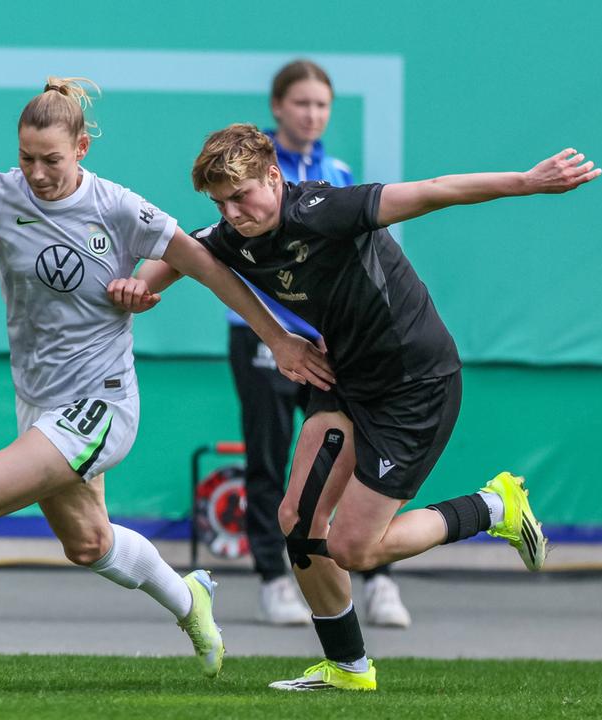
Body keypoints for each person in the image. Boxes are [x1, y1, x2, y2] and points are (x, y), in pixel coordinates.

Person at [0, 77, 332, 678]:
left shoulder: (119, 207)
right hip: (39, 401)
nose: (38, 173)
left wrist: (277, 336)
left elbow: (208, 267)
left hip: (103, 403)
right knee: (89, 545)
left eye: (51, 159)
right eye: (27, 158)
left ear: (81, 150)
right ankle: (191, 598)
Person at [116, 123, 600, 690]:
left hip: (415, 386)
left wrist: (527, 181)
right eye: (220, 203)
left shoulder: (326, 209)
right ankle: (348, 666)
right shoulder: (233, 232)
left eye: (241, 196)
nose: (233, 212)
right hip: (344, 377)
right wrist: (139, 288)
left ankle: (494, 508)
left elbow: (434, 189)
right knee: (297, 522)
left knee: (353, 548)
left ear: (274, 177)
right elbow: (187, 254)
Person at [225, 59, 408, 627]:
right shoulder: (249, 172)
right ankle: (274, 579)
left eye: (322, 105)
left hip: (333, 345)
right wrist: (277, 334)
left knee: (352, 457)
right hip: (267, 342)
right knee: (269, 457)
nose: (312, 114)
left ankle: (376, 580)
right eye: (302, 103)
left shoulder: (337, 171)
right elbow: (217, 253)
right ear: (278, 107)